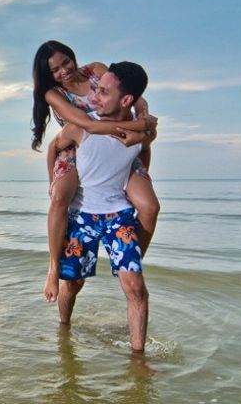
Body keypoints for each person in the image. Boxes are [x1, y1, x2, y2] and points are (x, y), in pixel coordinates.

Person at [31, 41, 160, 305]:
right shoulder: (52, 93)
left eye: (65, 61)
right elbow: (88, 124)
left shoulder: (97, 70)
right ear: (47, 74)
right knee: (59, 198)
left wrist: (144, 120)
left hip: (118, 144)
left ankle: (128, 264)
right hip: (79, 145)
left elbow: (136, 97)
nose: (64, 71)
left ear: (72, 56)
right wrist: (137, 126)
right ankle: (54, 269)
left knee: (150, 207)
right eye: (54, 69)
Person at [50, 61, 152, 353]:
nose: (94, 96)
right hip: (82, 217)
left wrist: (140, 180)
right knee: (73, 284)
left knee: (135, 287)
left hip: (119, 216)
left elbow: (144, 152)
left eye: (103, 92)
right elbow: (55, 147)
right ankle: (64, 331)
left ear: (126, 100)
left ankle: (138, 358)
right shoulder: (81, 126)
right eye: (96, 89)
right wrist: (52, 182)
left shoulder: (140, 133)